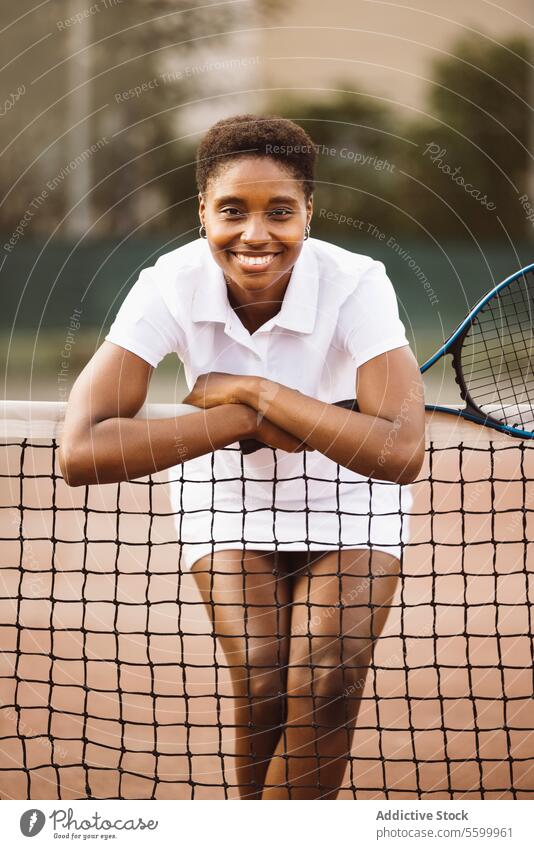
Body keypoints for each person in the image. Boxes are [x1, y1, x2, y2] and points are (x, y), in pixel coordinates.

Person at [58, 114, 425, 799]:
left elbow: (401, 449)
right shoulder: (169, 282)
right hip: (226, 496)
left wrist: (259, 388)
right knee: (261, 674)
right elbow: (79, 450)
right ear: (202, 211)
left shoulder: (357, 283)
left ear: (309, 213)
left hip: (351, 498)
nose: (255, 233)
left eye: (280, 211)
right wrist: (240, 418)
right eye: (232, 210)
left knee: (327, 674)